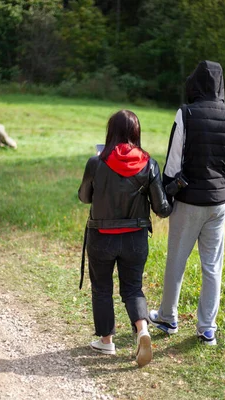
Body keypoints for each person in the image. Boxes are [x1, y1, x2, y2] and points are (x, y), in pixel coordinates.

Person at [149, 60, 225, 345]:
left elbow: (172, 164)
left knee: (177, 260)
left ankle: (168, 317)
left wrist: (167, 191)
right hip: (219, 204)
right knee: (212, 265)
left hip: (189, 200)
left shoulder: (186, 113)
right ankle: (207, 328)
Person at [78, 110, 172, 367]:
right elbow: (162, 208)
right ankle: (142, 330)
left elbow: (84, 197)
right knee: (132, 288)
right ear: (136, 133)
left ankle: (106, 341)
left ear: (111, 132)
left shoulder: (95, 162)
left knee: (102, 288)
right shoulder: (149, 164)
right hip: (135, 238)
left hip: (101, 237)